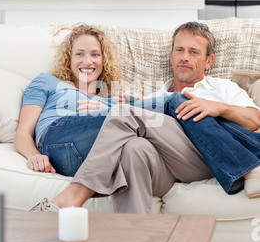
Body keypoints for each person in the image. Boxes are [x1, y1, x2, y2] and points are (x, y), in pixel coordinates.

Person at [29, 21, 260, 212]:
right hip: (167, 166)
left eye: (194, 52)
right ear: (171, 56)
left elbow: (254, 120)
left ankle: (76, 193)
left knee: (144, 109)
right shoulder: (157, 94)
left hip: (209, 159)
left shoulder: (222, 88)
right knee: (134, 148)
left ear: (208, 61)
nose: (184, 57)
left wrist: (219, 108)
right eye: (179, 50)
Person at [15, 23, 121, 180]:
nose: (87, 61)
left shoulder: (110, 100)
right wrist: (34, 155)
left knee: (139, 125)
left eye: (95, 55)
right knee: (138, 113)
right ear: (69, 58)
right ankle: (170, 103)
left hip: (95, 153)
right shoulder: (47, 81)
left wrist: (120, 105)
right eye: (79, 54)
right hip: (56, 140)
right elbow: (23, 132)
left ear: (104, 60)